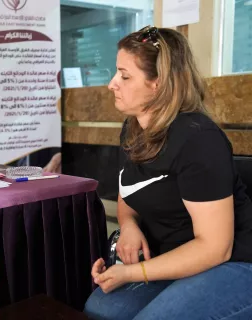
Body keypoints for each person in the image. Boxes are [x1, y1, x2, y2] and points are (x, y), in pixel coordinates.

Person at [83, 26, 252, 319]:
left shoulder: (199, 140)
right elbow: (129, 193)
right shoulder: (134, 128)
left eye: (124, 76)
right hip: (175, 255)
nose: (112, 83)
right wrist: (129, 227)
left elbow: (216, 248)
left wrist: (132, 273)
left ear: (157, 84)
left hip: (234, 262)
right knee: (98, 309)